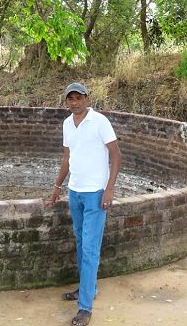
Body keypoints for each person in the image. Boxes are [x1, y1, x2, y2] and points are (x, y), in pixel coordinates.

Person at [45, 82, 122, 326]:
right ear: (66, 102)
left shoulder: (99, 121)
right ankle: (87, 288)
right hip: (75, 192)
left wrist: (109, 189)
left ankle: (85, 308)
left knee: (90, 249)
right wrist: (57, 187)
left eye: (78, 98)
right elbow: (68, 157)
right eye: (70, 99)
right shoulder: (68, 124)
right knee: (80, 242)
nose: (74, 102)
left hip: (95, 194)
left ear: (87, 98)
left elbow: (116, 154)